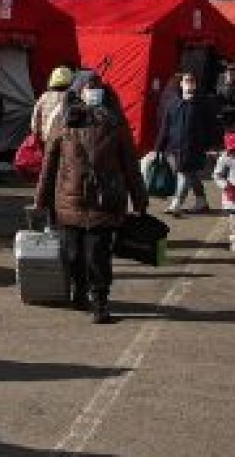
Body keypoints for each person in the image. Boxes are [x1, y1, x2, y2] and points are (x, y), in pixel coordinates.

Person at [34, 72, 148, 324]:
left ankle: (100, 301)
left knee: (98, 255)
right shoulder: (63, 123)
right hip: (68, 201)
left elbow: (130, 163)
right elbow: (49, 165)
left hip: (105, 202)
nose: (93, 92)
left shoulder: (116, 123)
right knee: (73, 254)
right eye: (88, 88)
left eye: (97, 88)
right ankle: (78, 291)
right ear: (78, 91)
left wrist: (140, 199)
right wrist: (40, 201)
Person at [155, 71, 214, 216]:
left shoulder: (202, 103)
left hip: (194, 147)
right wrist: (159, 147)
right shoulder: (173, 103)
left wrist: (210, 145)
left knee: (184, 174)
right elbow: (165, 126)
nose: (189, 83)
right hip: (174, 147)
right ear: (181, 84)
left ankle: (176, 203)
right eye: (186, 80)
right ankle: (202, 201)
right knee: (191, 174)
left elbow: (210, 126)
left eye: (192, 80)